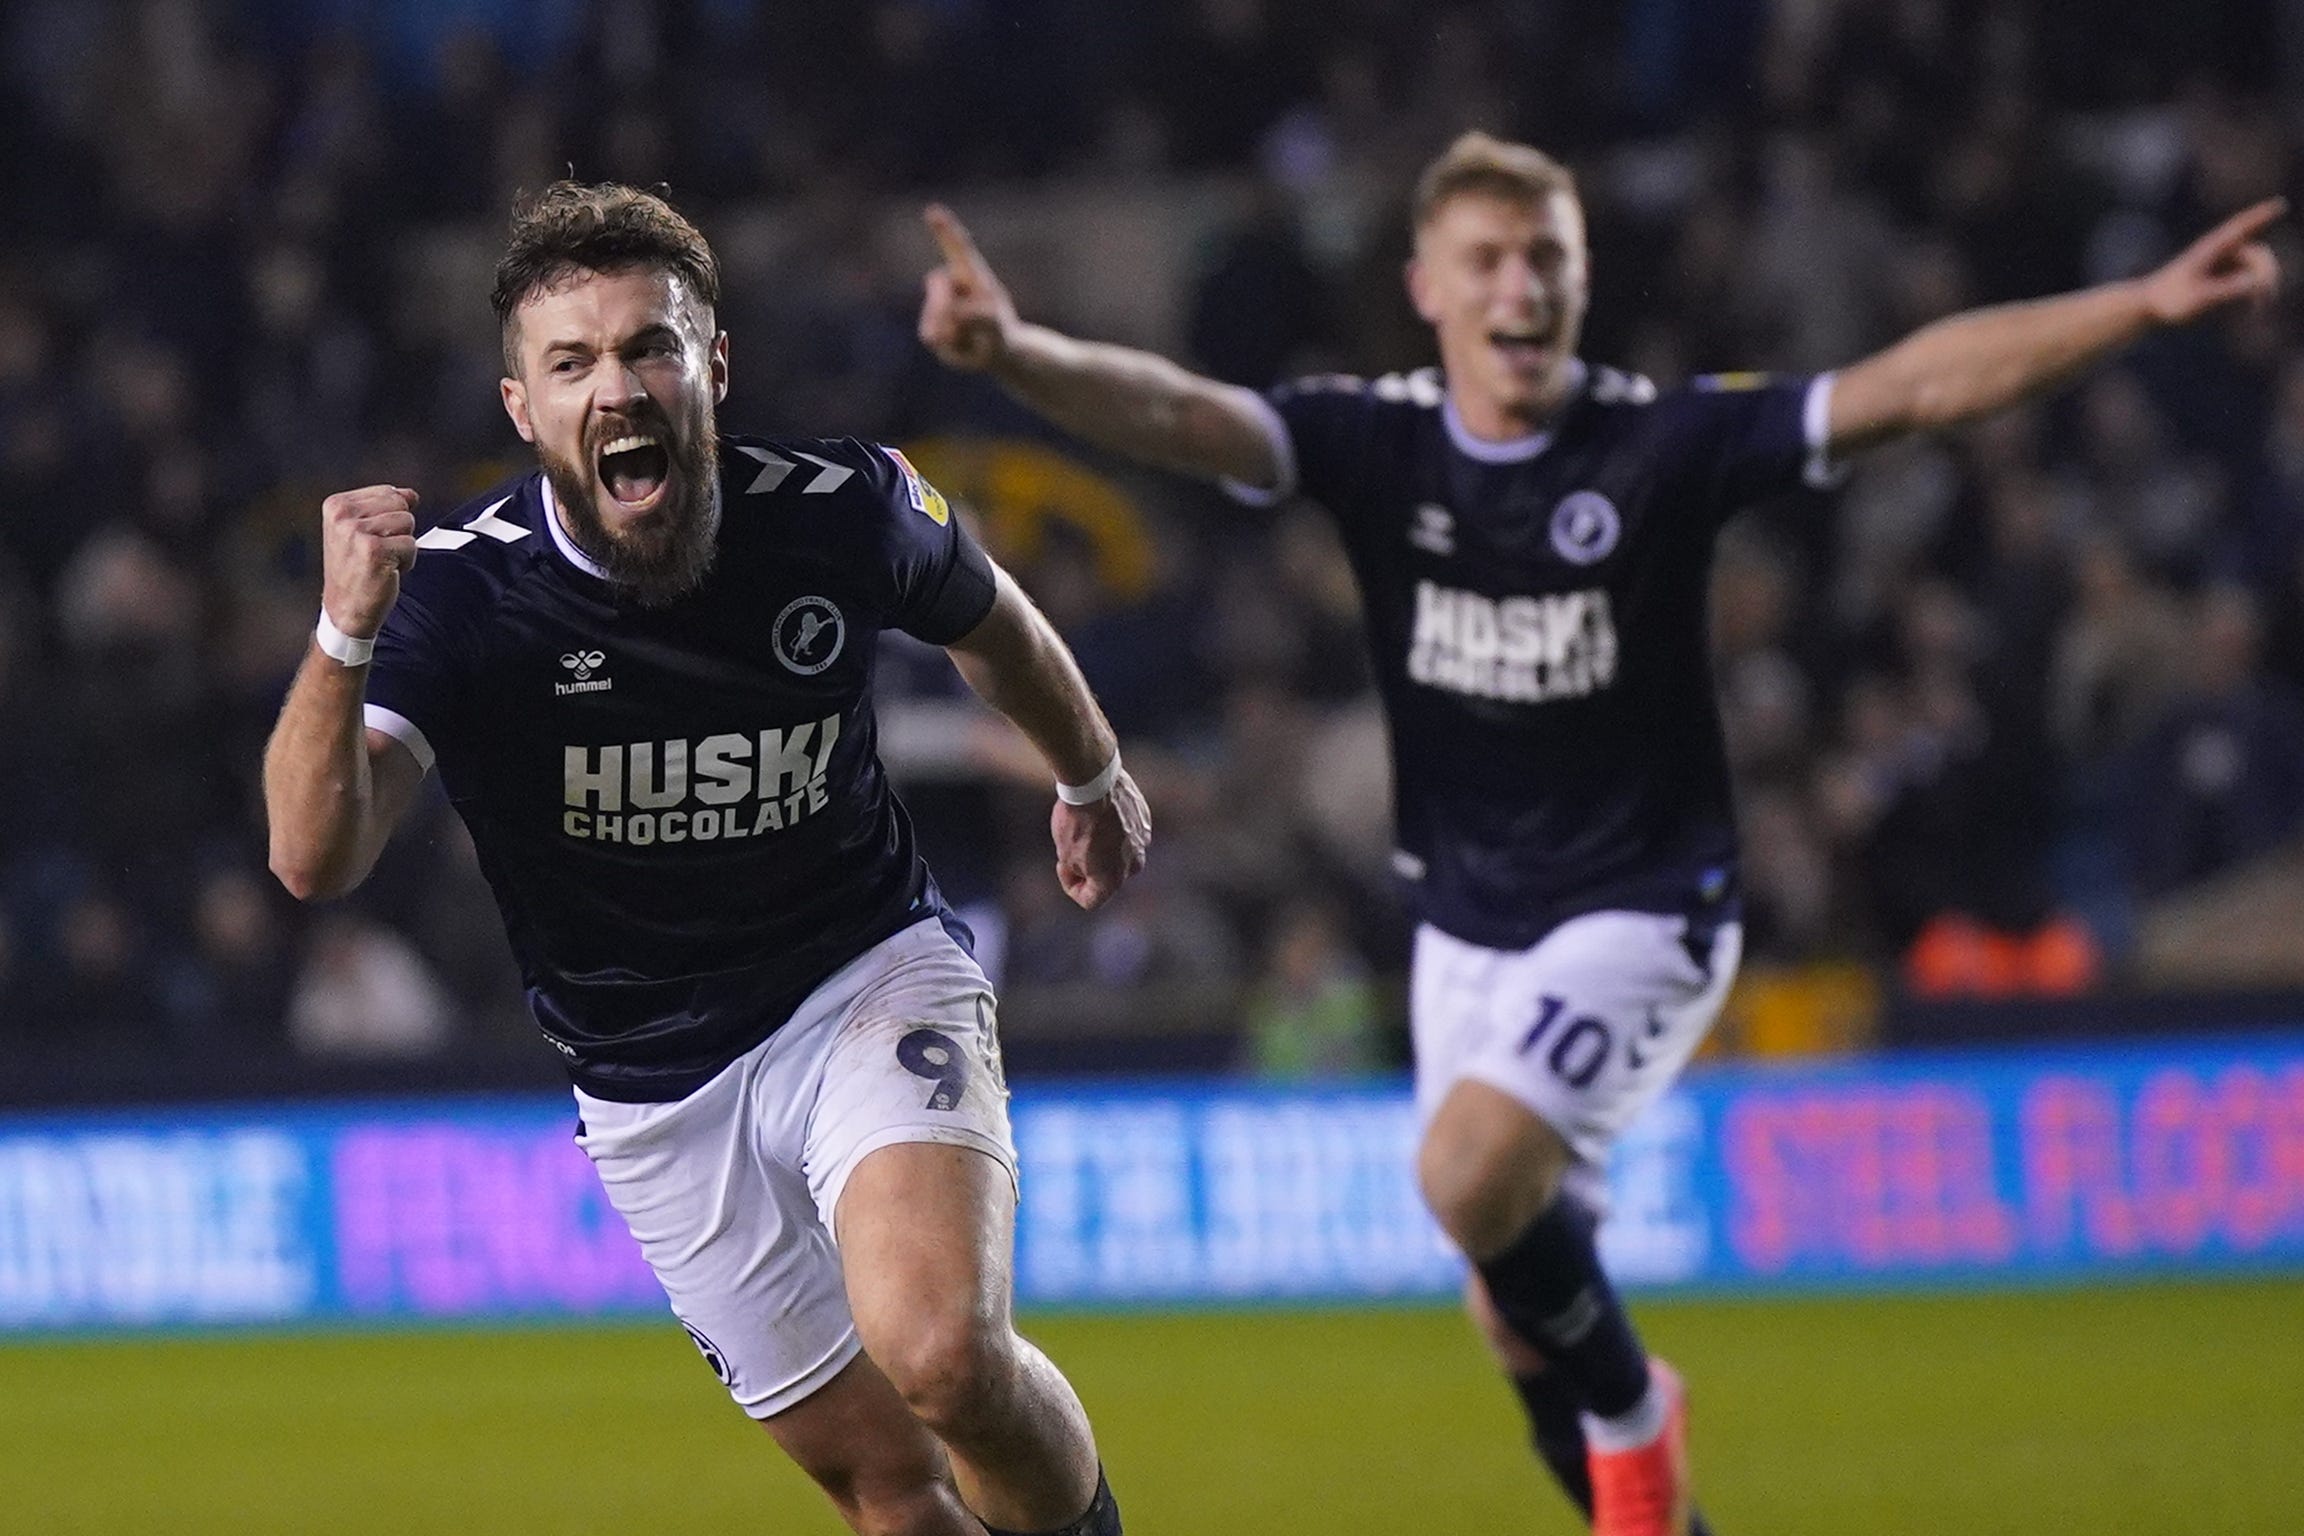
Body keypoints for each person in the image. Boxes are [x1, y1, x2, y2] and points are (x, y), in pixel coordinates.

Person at [916, 131, 2283, 1536]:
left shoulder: (1655, 443)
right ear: (1427, 289)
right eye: (1491, 262)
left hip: (1642, 909)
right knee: (1518, 1319)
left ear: (1580, 283)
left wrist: (2134, 306)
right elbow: (1179, 415)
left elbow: (1915, 387)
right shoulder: (1375, 444)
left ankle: (1639, 1420)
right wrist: (1019, 354)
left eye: (1548, 261)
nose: (1523, 288)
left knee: (1466, 1174)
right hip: (1467, 928)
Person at [265, 182, 1149, 1536]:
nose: (616, 387)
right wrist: (338, 638)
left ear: (711, 368)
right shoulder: (461, 592)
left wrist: (1090, 770)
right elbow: (314, 855)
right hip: (654, 1089)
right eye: (572, 363)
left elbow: (995, 625)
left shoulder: (838, 507)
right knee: (893, 1496)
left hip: (863, 977)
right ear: (523, 409)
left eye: (649, 348)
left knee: (945, 1357)